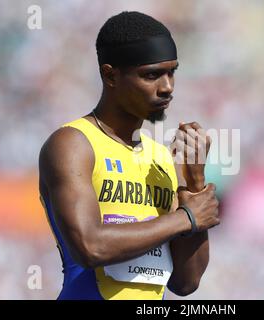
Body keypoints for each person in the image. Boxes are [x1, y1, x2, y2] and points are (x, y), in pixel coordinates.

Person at [38, 11, 220, 300]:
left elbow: (186, 282)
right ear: (110, 74)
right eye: (152, 74)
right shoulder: (73, 144)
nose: (167, 87)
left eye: (172, 72)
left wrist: (195, 184)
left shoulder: (160, 158)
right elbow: (90, 246)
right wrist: (187, 218)